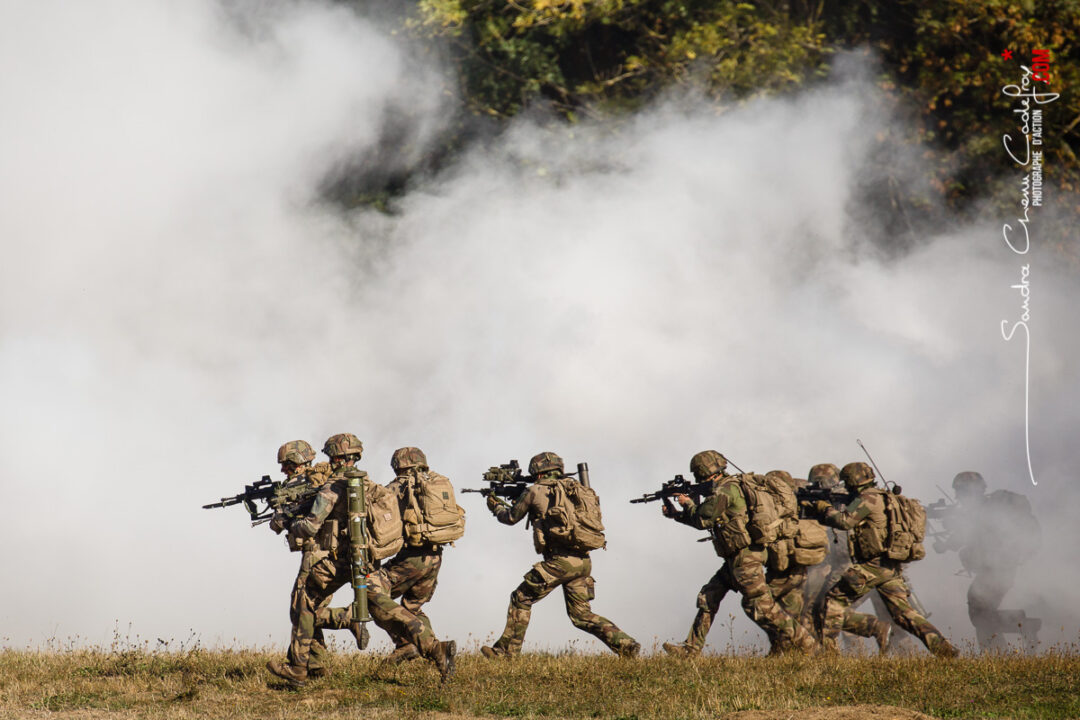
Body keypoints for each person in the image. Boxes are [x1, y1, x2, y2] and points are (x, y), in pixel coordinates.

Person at [266, 433, 456, 687]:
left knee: (305, 600)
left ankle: (298, 670)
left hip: (339, 561)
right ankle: (435, 649)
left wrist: (288, 522)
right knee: (381, 607)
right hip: (366, 559)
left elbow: (309, 528)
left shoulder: (333, 486)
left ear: (334, 457)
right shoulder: (368, 483)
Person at [480, 452, 640, 658]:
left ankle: (505, 653)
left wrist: (496, 506)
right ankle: (626, 645)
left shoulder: (534, 491)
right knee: (581, 615)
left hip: (560, 562)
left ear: (537, 472)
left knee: (521, 598)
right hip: (583, 561)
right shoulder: (577, 490)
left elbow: (510, 518)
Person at [661, 451, 817, 656]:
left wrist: (687, 503)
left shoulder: (726, 490)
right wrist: (678, 515)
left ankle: (807, 644)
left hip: (745, 558)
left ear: (702, 470)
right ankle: (691, 648)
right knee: (709, 595)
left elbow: (702, 519)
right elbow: (704, 518)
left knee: (764, 607)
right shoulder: (728, 487)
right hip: (736, 557)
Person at [805, 462, 958, 657]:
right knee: (904, 615)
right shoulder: (887, 498)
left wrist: (824, 508)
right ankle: (944, 650)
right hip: (889, 567)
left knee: (830, 604)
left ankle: (831, 655)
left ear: (852, 480)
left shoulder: (867, 499)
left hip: (871, 567)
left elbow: (845, 521)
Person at [935, 471, 1041, 651]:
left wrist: (945, 543)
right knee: (982, 613)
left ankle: (1015, 635)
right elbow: (968, 535)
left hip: (996, 570)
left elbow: (967, 534)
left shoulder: (982, 511)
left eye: (959, 492)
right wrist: (947, 544)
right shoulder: (986, 508)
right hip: (998, 569)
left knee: (980, 614)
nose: (957, 496)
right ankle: (1005, 643)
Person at [380, 447, 465, 665]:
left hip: (412, 556)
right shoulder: (437, 482)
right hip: (436, 555)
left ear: (397, 465)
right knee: (413, 607)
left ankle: (406, 645)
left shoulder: (398, 487)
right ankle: (438, 654)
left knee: (376, 598)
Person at [267, 440, 336, 679]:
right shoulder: (321, 480)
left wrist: (280, 515)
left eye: (286, 465)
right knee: (311, 606)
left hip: (318, 551)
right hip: (327, 551)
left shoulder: (304, 484)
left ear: (296, 462)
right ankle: (315, 665)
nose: (284, 471)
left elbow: (278, 523)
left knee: (301, 606)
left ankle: (298, 666)